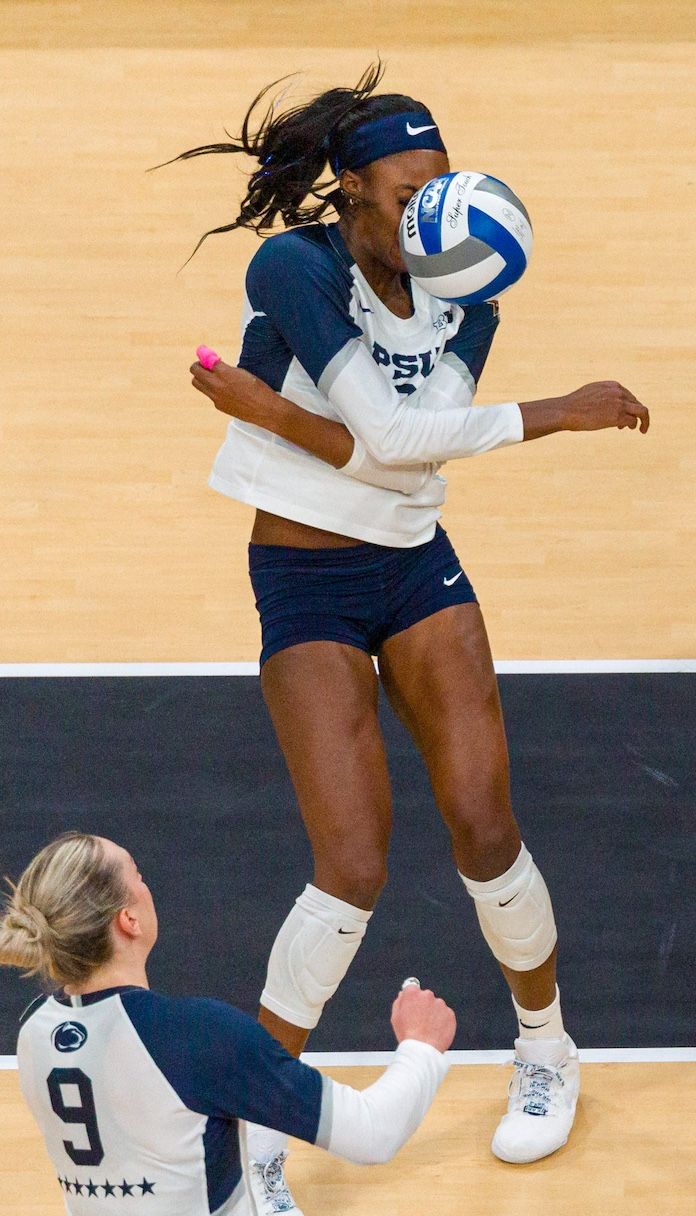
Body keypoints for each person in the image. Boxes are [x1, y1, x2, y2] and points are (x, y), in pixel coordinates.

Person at [164, 62, 648, 1211]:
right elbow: (392, 433)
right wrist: (558, 411)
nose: (430, 212)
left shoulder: (469, 283)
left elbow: (409, 453)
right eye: (406, 192)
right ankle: (260, 1125)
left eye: (442, 184)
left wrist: (273, 413)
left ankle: (547, 1048)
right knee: (352, 866)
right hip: (305, 579)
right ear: (351, 190)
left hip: (416, 563)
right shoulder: (296, 267)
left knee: (485, 823)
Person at [0, 831, 456, 1216]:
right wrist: (420, 1047)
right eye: (137, 875)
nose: (145, 883)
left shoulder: (35, 1031)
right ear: (129, 920)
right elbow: (372, 1133)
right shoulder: (196, 1036)